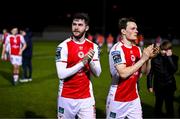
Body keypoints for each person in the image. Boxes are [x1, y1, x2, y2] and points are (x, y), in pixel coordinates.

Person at [106, 17, 159, 119]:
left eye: (136, 28)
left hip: (134, 98)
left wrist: (149, 59)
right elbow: (123, 73)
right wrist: (143, 59)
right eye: (133, 28)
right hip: (118, 98)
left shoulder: (137, 49)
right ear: (123, 31)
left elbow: (144, 72)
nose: (136, 31)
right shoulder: (116, 49)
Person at [55, 13, 102, 119]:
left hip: (86, 99)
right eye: (74, 24)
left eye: (80, 25)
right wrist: (82, 63)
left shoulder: (93, 47)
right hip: (66, 97)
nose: (76, 27)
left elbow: (98, 73)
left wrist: (90, 61)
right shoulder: (63, 46)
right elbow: (61, 74)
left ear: (87, 28)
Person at [147, 40, 179, 117]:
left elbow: (174, 70)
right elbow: (151, 73)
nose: (163, 51)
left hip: (169, 86)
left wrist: (169, 58)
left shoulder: (174, 58)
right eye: (162, 49)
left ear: (170, 50)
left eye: (165, 50)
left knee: (169, 106)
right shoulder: (155, 59)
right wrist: (149, 85)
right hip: (158, 86)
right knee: (158, 105)